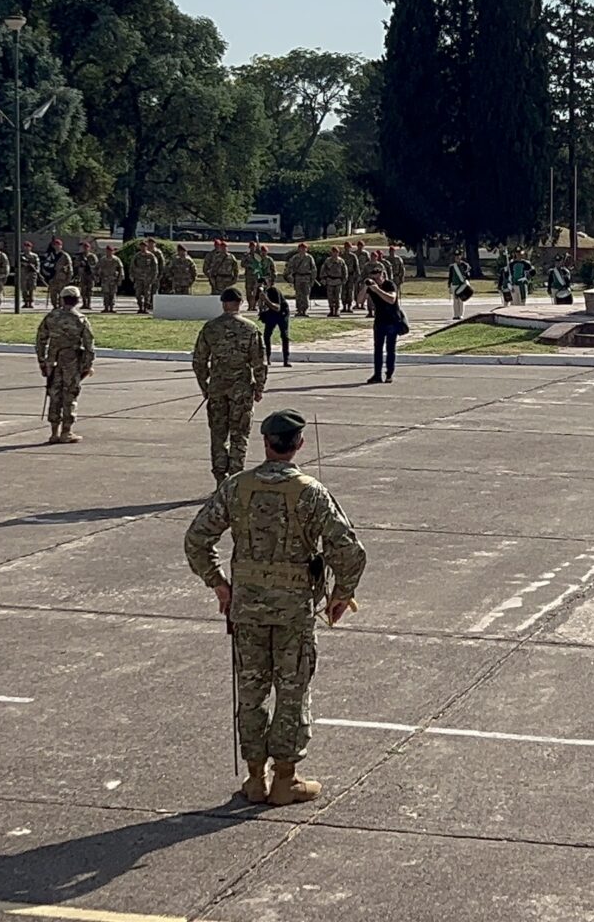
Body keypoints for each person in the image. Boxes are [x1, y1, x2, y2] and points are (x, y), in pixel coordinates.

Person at [183, 409, 367, 809]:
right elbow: (349, 550)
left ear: (265, 443)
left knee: (251, 691)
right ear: (298, 444)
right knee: (292, 691)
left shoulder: (237, 487)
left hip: (247, 610)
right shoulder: (310, 492)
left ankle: (255, 779)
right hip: (293, 612)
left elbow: (197, 539)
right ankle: (285, 780)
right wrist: (340, 594)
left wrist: (219, 584)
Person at [193, 288, 269, 483]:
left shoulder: (210, 328)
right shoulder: (250, 329)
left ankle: (220, 477)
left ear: (223, 303)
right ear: (240, 303)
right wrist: (259, 387)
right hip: (241, 389)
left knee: (218, 434)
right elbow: (259, 362)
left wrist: (204, 385)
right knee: (239, 434)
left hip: (217, 388)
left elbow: (199, 360)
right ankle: (235, 477)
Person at [35, 286, 96, 444]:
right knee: (70, 394)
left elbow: (41, 340)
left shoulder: (51, 317)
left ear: (62, 299)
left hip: (53, 361)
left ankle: (54, 432)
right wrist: (87, 366)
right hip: (72, 362)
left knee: (54, 394)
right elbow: (89, 346)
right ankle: (66, 432)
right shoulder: (80, 319)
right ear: (77, 301)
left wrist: (42, 361)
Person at [367, 270, 407, 384]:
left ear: (383, 276)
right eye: (373, 278)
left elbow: (391, 300)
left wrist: (377, 290)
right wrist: (365, 288)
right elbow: (359, 300)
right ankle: (377, 375)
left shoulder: (389, 284)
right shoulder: (372, 287)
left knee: (390, 349)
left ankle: (389, 374)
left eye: (377, 278)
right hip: (379, 321)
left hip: (392, 321)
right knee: (377, 349)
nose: (376, 281)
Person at [258, 282, 293, 367]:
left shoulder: (274, 291)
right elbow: (261, 307)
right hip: (271, 313)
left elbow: (277, 308)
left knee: (284, 335)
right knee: (266, 335)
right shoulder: (261, 292)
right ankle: (268, 358)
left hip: (282, 313)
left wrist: (266, 299)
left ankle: (286, 360)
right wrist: (260, 300)